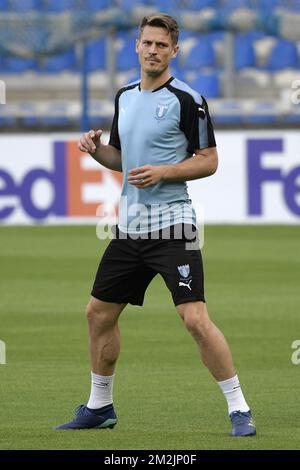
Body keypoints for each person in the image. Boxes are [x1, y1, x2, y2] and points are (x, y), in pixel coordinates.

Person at [56, 13, 256, 437]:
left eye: (162, 45)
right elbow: (122, 160)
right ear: (137, 46)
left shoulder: (189, 99)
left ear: (174, 51)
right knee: (98, 314)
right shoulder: (124, 96)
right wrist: (96, 152)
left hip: (172, 226)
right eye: (147, 43)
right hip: (129, 227)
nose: (153, 50)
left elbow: (209, 160)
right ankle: (99, 405)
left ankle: (239, 408)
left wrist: (164, 172)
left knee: (195, 319)